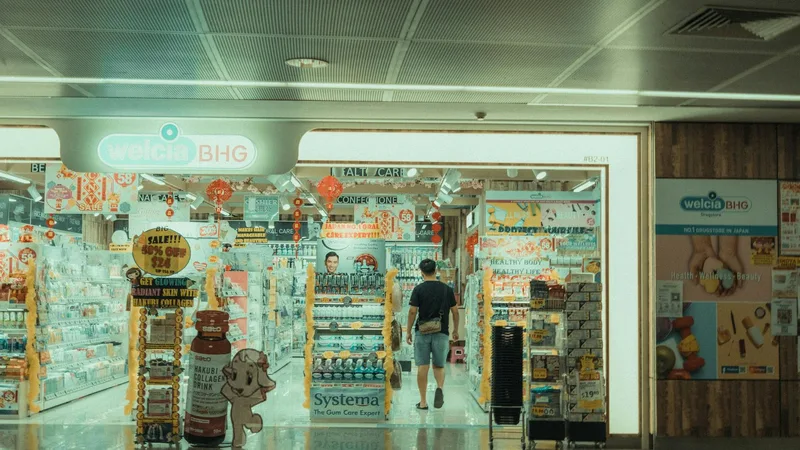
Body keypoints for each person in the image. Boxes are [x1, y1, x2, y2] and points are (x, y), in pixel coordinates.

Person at [406, 259, 458, 410]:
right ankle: (440, 388)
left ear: (421, 273)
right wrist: (455, 330)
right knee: (439, 365)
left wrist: (408, 331)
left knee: (423, 366)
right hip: (441, 332)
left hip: (422, 332)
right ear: (436, 271)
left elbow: (412, 311)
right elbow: (455, 312)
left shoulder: (418, 289)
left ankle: (423, 402)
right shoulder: (446, 289)